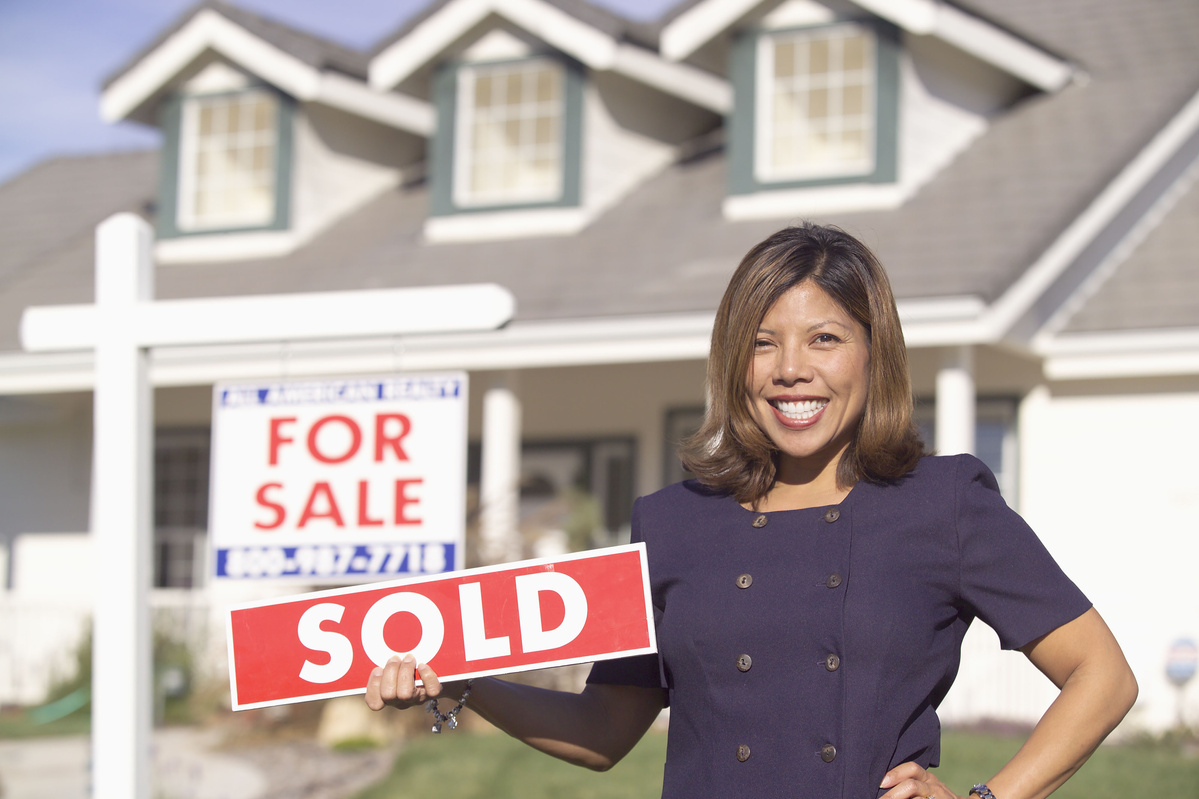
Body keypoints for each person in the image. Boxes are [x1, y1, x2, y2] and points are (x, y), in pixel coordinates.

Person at [365, 223, 1137, 798]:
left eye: (824, 338)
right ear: (734, 361)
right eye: (762, 343)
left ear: (874, 353)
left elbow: (1100, 674)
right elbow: (603, 730)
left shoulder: (943, 503)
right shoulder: (671, 522)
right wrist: (457, 683)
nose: (791, 370)